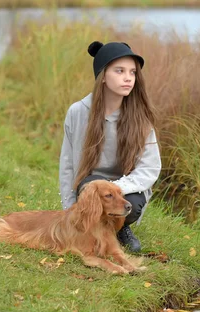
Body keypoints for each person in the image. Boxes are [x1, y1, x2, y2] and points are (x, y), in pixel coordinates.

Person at [59, 40, 161, 253]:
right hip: (90, 185)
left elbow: (149, 169)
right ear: (103, 76)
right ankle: (90, 227)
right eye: (120, 71)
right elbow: (67, 164)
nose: (128, 78)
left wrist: (115, 190)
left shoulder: (140, 119)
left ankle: (120, 228)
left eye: (132, 72)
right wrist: (69, 210)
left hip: (126, 187)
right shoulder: (78, 112)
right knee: (90, 188)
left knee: (130, 204)